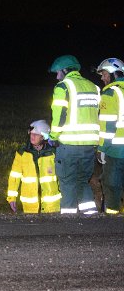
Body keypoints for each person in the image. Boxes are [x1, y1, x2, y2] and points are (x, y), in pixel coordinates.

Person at [49, 55, 100, 215]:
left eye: (58, 72)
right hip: (89, 147)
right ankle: (90, 218)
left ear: (65, 70)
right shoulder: (93, 87)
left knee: (68, 184)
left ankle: (68, 224)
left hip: (69, 147)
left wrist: (53, 136)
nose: (57, 76)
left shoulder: (63, 87)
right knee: (82, 182)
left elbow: (59, 117)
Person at [6, 120, 61, 213]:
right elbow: (14, 176)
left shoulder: (53, 152)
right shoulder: (22, 152)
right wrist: (12, 198)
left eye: (36, 134)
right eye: (31, 134)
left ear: (43, 136)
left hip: (52, 207)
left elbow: (62, 176)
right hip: (29, 207)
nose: (32, 136)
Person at [96, 58, 124, 215]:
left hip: (116, 151)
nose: (102, 78)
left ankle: (111, 223)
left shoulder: (110, 93)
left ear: (113, 74)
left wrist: (102, 149)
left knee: (112, 186)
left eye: (104, 74)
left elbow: (107, 126)